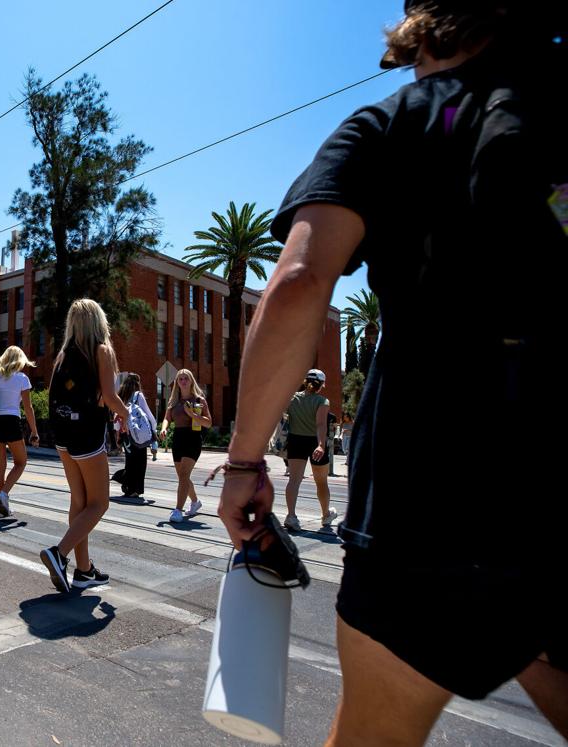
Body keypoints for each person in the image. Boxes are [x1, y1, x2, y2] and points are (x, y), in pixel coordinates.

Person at [216, 3, 566, 743]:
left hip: (425, 511)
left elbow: (300, 285)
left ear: (426, 33)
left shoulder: (390, 125)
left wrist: (244, 460)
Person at [39, 299, 130, 592]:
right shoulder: (101, 351)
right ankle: (59, 553)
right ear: (98, 322)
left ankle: (85, 570)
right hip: (87, 435)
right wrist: (127, 416)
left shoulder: (63, 355)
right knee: (99, 503)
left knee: (79, 502)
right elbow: (110, 397)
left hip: (63, 437)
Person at [0, 346, 40, 519]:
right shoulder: (22, 378)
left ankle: (0, 508)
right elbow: (28, 407)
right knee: (21, 462)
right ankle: (3, 494)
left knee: (0, 465)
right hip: (11, 421)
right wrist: (34, 431)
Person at [281, 370, 338, 531]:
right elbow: (321, 425)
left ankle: (291, 516)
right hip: (314, 442)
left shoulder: (292, 398)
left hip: (295, 440)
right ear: (321, 385)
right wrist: (320, 445)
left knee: (294, 480)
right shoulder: (322, 401)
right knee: (321, 482)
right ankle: (326, 515)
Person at [158, 369, 212, 523]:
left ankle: (178, 510)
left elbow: (208, 423)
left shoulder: (199, 400)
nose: (183, 381)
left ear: (191, 381)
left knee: (183, 476)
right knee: (183, 477)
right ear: (176, 382)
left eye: (185, 378)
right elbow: (167, 418)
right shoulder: (174, 400)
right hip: (178, 438)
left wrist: (193, 415)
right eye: (180, 378)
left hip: (193, 438)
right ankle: (195, 502)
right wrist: (163, 428)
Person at [115, 373, 154, 497]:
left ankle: (128, 487)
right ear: (137, 383)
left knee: (130, 460)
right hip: (138, 434)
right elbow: (148, 415)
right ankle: (136, 489)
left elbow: (115, 418)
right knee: (140, 461)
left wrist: (118, 435)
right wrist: (154, 433)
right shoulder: (138, 396)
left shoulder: (120, 396)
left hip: (125, 434)